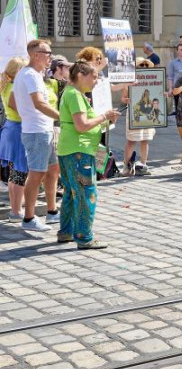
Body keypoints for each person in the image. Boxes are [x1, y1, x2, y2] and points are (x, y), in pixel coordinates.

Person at [58, 60, 120, 249]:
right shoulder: (75, 95)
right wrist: (104, 117)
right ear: (80, 76)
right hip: (79, 151)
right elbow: (82, 125)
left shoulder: (73, 93)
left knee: (71, 192)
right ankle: (84, 237)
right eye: (93, 76)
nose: (96, 80)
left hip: (70, 149)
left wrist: (106, 122)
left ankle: (66, 231)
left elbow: (84, 123)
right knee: (86, 194)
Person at [15, 40, 63, 230]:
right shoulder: (30, 75)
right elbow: (39, 104)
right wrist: (64, 118)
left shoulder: (31, 75)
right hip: (36, 131)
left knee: (52, 170)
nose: (50, 56)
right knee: (37, 173)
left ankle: (51, 212)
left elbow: (16, 102)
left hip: (43, 129)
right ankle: (28, 218)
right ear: (36, 55)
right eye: (47, 52)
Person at [0, 57, 34, 229]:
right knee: (20, 172)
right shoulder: (14, 87)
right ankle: (16, 211)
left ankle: (15, 211)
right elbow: (17, 108)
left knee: (15, 173)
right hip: (18, 130)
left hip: (10, 129)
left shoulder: (7, 85)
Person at [120, 59, 156, 176]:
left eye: (146, 64)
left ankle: (143, 165)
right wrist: (128, 100)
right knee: (132, 140)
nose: (144, 66)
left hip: (147, 114)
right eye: (142, 64)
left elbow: (156, 93)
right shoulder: (130, 81)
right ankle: (127, 166)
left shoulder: (152, 80)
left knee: (145, 140)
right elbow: (123, 98)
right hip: (134, 113)